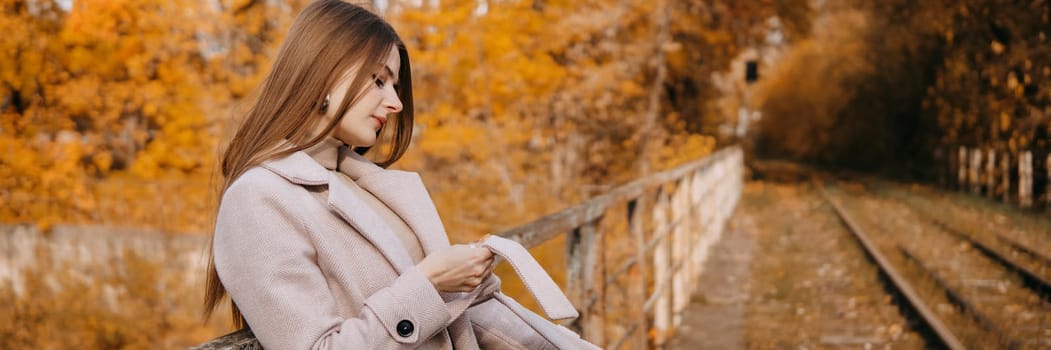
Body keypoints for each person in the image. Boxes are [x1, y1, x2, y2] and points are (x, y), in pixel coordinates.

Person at [202, 1, 599, 349]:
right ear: (322, 73)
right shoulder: (258, 200)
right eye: (378, 80)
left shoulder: (362, 183)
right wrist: (429, 282)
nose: (394, 103)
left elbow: (480, 319)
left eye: (393, 84)